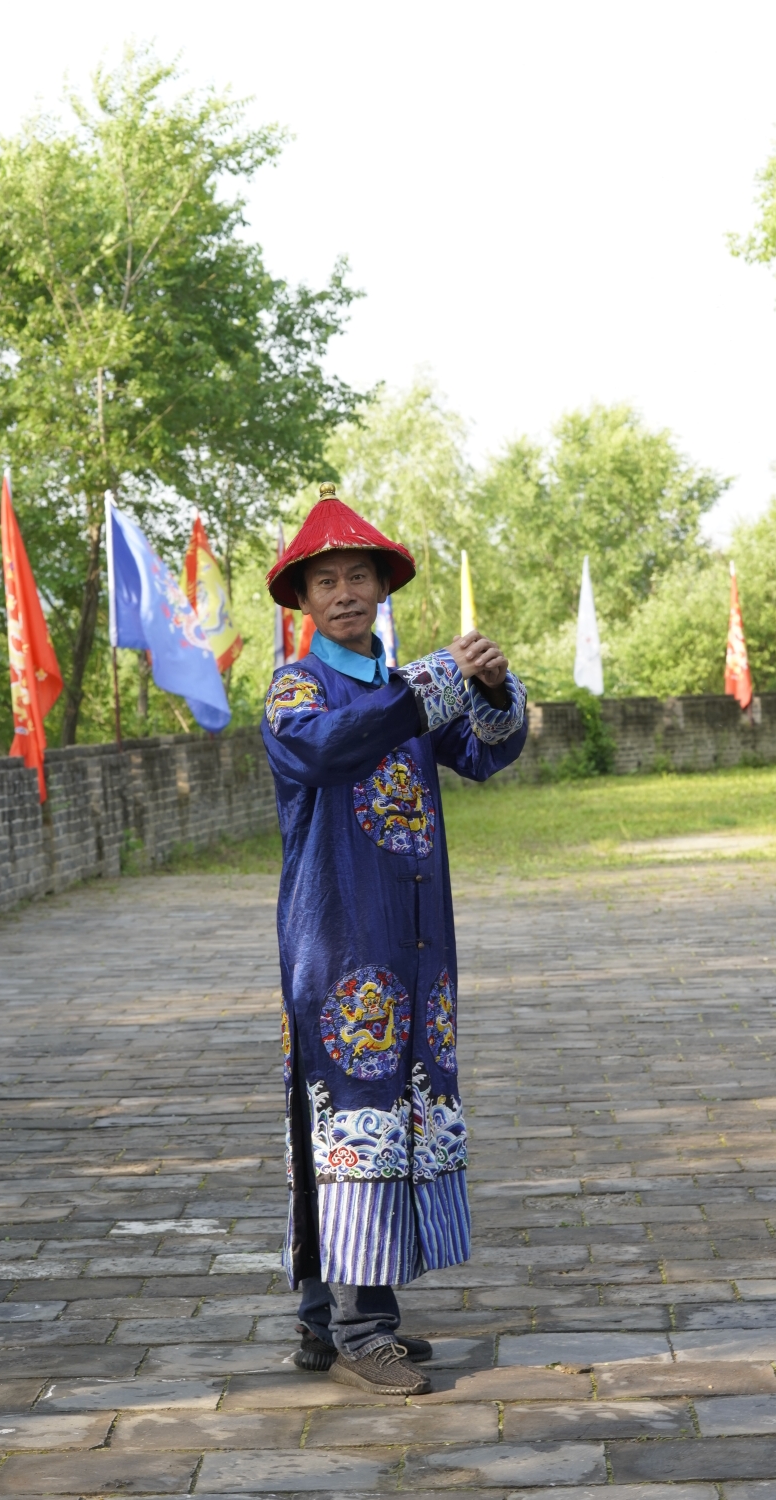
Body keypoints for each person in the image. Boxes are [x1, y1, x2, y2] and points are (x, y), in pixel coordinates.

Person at [262, 484, 527, 1396]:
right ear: (301, 602)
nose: (345, 593)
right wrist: (440, 681)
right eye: (326, 581)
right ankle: (358, 1326)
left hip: (412, 941)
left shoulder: (402, 686)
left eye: (360, 576)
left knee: (385, 1115)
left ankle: (321, 1320)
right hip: (338, 942)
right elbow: (321, 749)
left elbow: (487, 752)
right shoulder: (302, 686)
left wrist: (489, 684)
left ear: (383, 589)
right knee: (347, 1118)